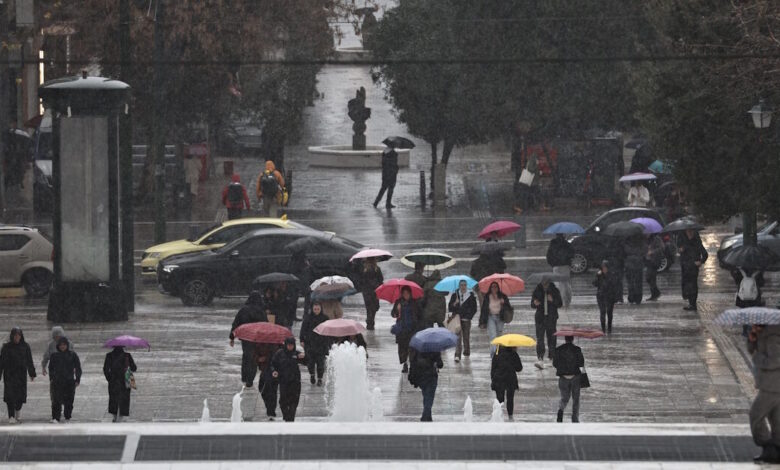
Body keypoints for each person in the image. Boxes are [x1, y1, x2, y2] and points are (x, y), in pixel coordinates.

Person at [748, 324, 780, 464]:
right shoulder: (763, 335)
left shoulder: (772, 337)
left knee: (755, 415)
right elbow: (751, 350)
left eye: (754, 324)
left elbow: (776, 360)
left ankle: (767, 445)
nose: (752, 325)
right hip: (770, 384)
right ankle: (776, 451)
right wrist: (752, 339)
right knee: (776, 419)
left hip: (772, 385)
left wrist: (758, 358)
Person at [230, 291, 267, 387]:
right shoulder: (261, 311)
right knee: (254, 358)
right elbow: (265, 325)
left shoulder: (243, 310)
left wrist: (232, 337)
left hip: (245, 338)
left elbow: (236, 323)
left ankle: (244, 376)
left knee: (246, 356)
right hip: (257, 338)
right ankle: (250, 379)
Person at [0, 327, 35, 424]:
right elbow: (1, 362)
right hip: (9, 375)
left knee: (20, 396)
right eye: (15, 335)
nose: (17, 337)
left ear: (21, 336)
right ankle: (11, 416)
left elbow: (29, 360)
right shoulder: (6, 347)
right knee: (10, 396)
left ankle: (17, 411)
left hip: (21, 375)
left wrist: (32, 373)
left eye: (18, 335)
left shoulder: (25, 346)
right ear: (12, 336)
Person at [270, 337, 306, 422]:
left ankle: (291, 418)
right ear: (286, 345)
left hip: (295, 381)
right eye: (289, 345)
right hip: (283, 381)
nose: (290, 347)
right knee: (283, 401)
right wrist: (274, 371)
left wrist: (305, 356)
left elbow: (307, 362)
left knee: (294, 401)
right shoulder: (280, 353)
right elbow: (273, 363)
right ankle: (286, 416)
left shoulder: (296, 354)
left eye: (292, 345)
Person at [48, 336, 81, 423]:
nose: (62, 346)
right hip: (57, 382)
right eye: (61, 345)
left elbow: (78, 367)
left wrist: (77, 379)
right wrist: (52, 378)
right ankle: (56, 417)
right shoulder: (54, 356)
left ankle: (67, 417)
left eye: (64, 345)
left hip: (69, 381)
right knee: (56, 400)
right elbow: (51, 368)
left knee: (69, 401)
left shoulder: (72, 355)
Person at [532, 279, 563, 369]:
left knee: (552, 338)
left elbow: (560, 304)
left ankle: (551, 357)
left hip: (551, 318)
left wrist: (552, 300)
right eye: (543, 283)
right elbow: (532, 304)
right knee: (540, 339)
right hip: (540, 318)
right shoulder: (537, 291)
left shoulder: (555, 291)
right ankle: (540, 358)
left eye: (546, 283)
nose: (545, 285)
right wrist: (535, 303)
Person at [553, 335, 585, 423]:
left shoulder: (558, 349)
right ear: (573, 339)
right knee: (576, 398)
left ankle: (561, 410)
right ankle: (575, 417)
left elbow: (555, 363)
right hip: (575, 377)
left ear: (565, 339)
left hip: (563, 377)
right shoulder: (577, 349)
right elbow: (581, 363)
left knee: (564, 397)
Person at [392, 286, 423, 373]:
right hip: (402, 330)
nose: (406, 295)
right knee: (402, 348)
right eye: (404, 293)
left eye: (407, 293)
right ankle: (405, 364)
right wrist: (396, 310)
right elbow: (393, 314)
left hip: (412, 329)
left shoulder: (414, 302)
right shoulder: (398, 302)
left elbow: (420, 314)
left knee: (412, 348)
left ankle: (412, 364)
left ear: (410, 294)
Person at [407, 348, 443, 421]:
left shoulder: (417, 348)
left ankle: (428, 416)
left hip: (421, 377)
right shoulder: (434, 348)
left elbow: (413, 361)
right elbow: (440, 364)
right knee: (429, 397)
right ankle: (426, 415)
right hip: (431, 376)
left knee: (426, 396)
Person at [103, 346, 137, 422]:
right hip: (125, 380)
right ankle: (121, 417)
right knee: (124, 399)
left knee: (113, 399)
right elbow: (134, 368)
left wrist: (109, 378)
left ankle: (115, 417)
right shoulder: (127, 355)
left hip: (113, 380)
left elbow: (105, 369)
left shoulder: (109, 355)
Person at [299, 302, 329, 386]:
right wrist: (302, 340)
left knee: (320, 363)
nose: (316, 311)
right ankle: (312, 374)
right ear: (312, 309)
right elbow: (303, 329)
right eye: (315, 309)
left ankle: (320, 378)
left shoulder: (325, 318)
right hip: (310, 344)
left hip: (321, 344)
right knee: (310, 362)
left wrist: (328, 342)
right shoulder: (308, 318)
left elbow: (328, 331)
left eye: (318, 309)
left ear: (321, 309)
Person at [678, 228, 708, 311]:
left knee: (693, 285)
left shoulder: (697, 243)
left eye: (691, 231)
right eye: (688, 231)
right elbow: (679, 250)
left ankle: (693, 304)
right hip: (685, 266)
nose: (689, 233)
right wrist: (680, 250)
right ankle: (690, 301)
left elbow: (705, 254)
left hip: (693, 267)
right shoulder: (683, 241)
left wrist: (701, 261)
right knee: (686, 284)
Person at [479, 282, 512, 356]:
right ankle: (493, 354)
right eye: (492, 287)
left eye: (496, 287)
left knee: (499, 336)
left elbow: (509, 307)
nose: (494, 288)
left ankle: (498, 352)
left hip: (500, 318)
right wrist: (481, 322)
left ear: (498, 288)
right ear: (490, 288)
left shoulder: (503, 296)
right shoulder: (487, 297)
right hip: (491, 317)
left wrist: (504, 303)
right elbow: (484, 309)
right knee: (492, 335)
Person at [448, 279, 477, 362]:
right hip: (457, 319)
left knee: (466, 336)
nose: (463, 287)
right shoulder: (455, 295)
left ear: (466, 286)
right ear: (459, 286)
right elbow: (450, 308)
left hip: (466, 319)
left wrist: (469, 316)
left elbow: (474, 308)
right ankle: (457, 355)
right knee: (458, 337)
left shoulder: (471, 296)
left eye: (464, 285)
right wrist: (454, 303)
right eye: (461, 285)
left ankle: (467, 351)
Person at [491, 346, 523, 418]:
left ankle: (499, 415)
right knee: (510, 399)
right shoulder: (514, 354)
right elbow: (519, 368)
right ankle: (510, 415)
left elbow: (493, 368)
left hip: (498, 379)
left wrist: (493, 379)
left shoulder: (497, 353)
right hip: (510, 379)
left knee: (499, 399)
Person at [546, 234, 574, 308]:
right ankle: (567, 299)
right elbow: (572, 254)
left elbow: (549, 255)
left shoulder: (553, 244)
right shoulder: (567, 244)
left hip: (556, 266)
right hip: (565, 266)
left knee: (558, 283)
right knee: (565, 283)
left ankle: (559, 299)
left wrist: (552, 263)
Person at [255, 342, 280, 420]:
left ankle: (271, 411)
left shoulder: (278, 344)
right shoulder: (259, 344)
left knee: (273, 391)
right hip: (264, 370)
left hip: (274, 372)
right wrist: (259, 359)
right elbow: (254, 355)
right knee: (262, 389)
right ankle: (269, 406)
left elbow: (283, 356)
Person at [594, 261, 618, 334]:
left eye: (605, 267)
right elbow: (595, 283)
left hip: (610, 296)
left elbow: (614, 285)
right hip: (601, 296)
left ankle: (609, 328)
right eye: (603, 267)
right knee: (602, 312)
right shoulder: (599, 275)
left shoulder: (612, 275)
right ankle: (603, 329)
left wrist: (615, 297)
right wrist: (598, 276)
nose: (604, 269)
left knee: (609, 313)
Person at [359, 258, 383, 330]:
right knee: (374, 307)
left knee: (369, 307)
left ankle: (369, 320)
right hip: (375, 291)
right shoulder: (377, 269)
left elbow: (361, 280)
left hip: (367, 291)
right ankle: (371, 321)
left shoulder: (363, 269)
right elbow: (381, 279)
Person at [289, 251, 314, 322]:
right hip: (301, 281)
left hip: (299, 281)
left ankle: (298, 315)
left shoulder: (294, 258)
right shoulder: (299, 259)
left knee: (295, 299)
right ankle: (305, 315)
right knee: (305, 297)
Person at [623, 234, 645, 305]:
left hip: (629, 264)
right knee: (638, 282)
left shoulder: (626, 242)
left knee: (631, 282)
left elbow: (625, 252)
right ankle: (638, 298)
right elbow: (643, 251)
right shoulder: (641, 241)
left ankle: (631, 297)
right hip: (638, 263)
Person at [645, 234, 665, 301]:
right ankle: (655, 294)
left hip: (655, 261)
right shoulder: (646, 240)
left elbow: (662, 248)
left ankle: (655, 293)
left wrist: (652, 252)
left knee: (650, 277)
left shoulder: (656, 239)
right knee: (650, 278)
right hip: (649, 261)